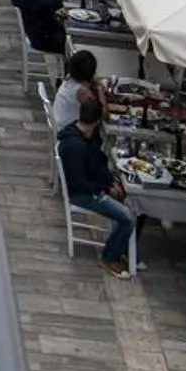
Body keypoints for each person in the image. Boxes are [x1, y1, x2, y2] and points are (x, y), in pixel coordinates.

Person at [58, 95, 136, 274]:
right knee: (127, 217)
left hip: (90, 187)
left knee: (131, 206)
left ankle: (123, 247)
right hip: (83, 194)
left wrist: (109, 181)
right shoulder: (77, 147)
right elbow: (80, 183)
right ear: (97, 121)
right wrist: (105, 188)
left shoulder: (83, 137)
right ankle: (110, 257)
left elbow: (97, 164)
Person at [11, 0, 68, 89]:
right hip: (42, 37)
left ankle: (64, 78)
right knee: (72, 45)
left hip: (42, 29)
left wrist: (54, 13)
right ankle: (64, 82)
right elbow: (56, 2)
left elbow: (44, 8)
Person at [50, 47, 104, 132]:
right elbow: (101, 114)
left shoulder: (69, 78)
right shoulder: (82, 90)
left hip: (59, 122)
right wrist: (100, 90)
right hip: (68, 130)